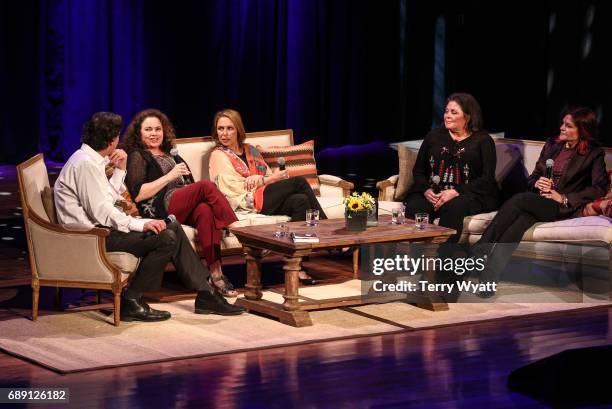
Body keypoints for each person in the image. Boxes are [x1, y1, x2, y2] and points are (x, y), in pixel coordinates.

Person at [54, 112, 245, 321]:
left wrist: (120, 170)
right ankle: (132, 300)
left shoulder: (90, 160)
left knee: (171, 227)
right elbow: (103, 213)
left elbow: (107, 198)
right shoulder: (85, 165)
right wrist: (140, 225)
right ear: (111, 140)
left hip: (102, 229)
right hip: (93, 236)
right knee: (166, 237)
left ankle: (205, 293)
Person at [473, 107, 609, 297]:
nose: (561, 128)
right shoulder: (552, 145)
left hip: (562, 206)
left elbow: (599, 187)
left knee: (520, 199)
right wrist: (537, 182)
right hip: (538, 202)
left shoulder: (593, 154)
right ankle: (488, 281)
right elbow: (533, 178)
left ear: (581, 130)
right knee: (518, 224)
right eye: (562, 123)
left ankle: (481, 247)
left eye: (568, 126)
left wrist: (563, 197)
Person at [123, 109, 240, 297]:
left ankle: (216, 274)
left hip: (181, 203)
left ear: (164, 131)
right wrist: (170, 176)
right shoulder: (138, 155)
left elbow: (190, 184)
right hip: (160, 206)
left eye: (158, 129)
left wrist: (192, 191)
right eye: (148, 130)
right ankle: (237, 227)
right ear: (139, 133)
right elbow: (138, 194)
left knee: (205, 211)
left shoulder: (171, 153)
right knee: (206, 186)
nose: (154, 134)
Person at [208, 109, 326, 284]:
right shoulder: (218, 155)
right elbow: (230, 189)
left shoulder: (250, 150)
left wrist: (262, 179)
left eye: (229, 128)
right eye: (220, 128)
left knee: (300, 201)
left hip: (265, 196)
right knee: (299, 182)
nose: (224, 133)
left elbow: (270, 178)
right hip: (245, 202)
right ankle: (328, 229)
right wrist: (262, 179)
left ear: (238, 130)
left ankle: (295, 265)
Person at [403, 92, 500, 244]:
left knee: (454, 206)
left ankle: (445, 260)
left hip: (468, 195)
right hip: (432, 192)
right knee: (417, 205)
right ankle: (415, 256)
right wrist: (426, 190)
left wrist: (455, 192)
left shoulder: (483, 141)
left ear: (467, 117)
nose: (447, 115)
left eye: (454, 112)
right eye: (446, 111)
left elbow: (486, 179)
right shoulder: (434, 136)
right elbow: (419, 171)